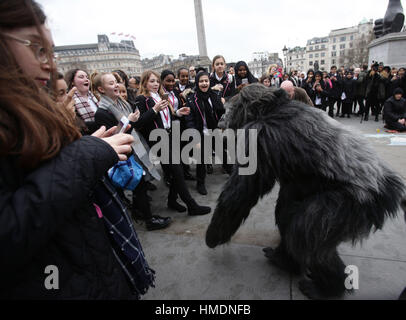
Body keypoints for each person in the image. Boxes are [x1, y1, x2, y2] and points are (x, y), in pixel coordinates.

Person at [0, 0, 157, 299]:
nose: (49, 62)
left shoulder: (32, 117)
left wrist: (85, 146)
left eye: (49, 50)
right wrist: (87, 152)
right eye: (35, 48)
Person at [93, 72, 171, 231]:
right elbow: (113, 137)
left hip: (135, 147)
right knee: (139, 185)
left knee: (140, 186)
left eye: (115, 82)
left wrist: (133, 121)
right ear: (101, 89)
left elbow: (134, 125)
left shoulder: (122, 103)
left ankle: (140, 211)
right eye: (110, 83)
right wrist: (130, 122)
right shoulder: (102, 112)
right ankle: (149, 220)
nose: (115, 85)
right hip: (124, 153)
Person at [134, 70, 211, 216]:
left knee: (179, 170)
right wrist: (154, 110)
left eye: (157, 81)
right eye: (152, 81)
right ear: (144, 83)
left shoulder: (160, 96)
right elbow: (138, 123)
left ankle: (172, 200)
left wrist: (177, 113)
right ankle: (191, 205)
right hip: (157, 139)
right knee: (177, 171)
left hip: (169, 135)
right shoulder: (141, 99)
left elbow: (166, 117)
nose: (155, 84)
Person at [184, 71, 226, 195]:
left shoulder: (215, 95)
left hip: (214, 131)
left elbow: (220, 113)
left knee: (222, 153)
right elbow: (189, 121)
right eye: (201, 81)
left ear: (209, 82)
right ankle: (200, 183)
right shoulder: (191, 99)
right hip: (199, 133)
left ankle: (233, 173)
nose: (204, 83)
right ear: (197, 83)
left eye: (206, 81)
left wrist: (221, 126)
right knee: (201, 160)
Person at [161, 69, 195, 181]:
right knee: (170, 154)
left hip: (180, 125)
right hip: (168, 127)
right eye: (168, 81)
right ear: (162, 81)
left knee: (182, 149)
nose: (171, 83)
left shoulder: (175, 92)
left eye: (172, 81)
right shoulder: (159, 95)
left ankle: (185, 172)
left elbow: (179, 105)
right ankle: (169, 176)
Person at [65, 68, 100, 133]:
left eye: (87, 77)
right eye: (81, 77)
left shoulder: (96, 97)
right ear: (72, 82)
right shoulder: (70, 101)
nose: (86, 79)